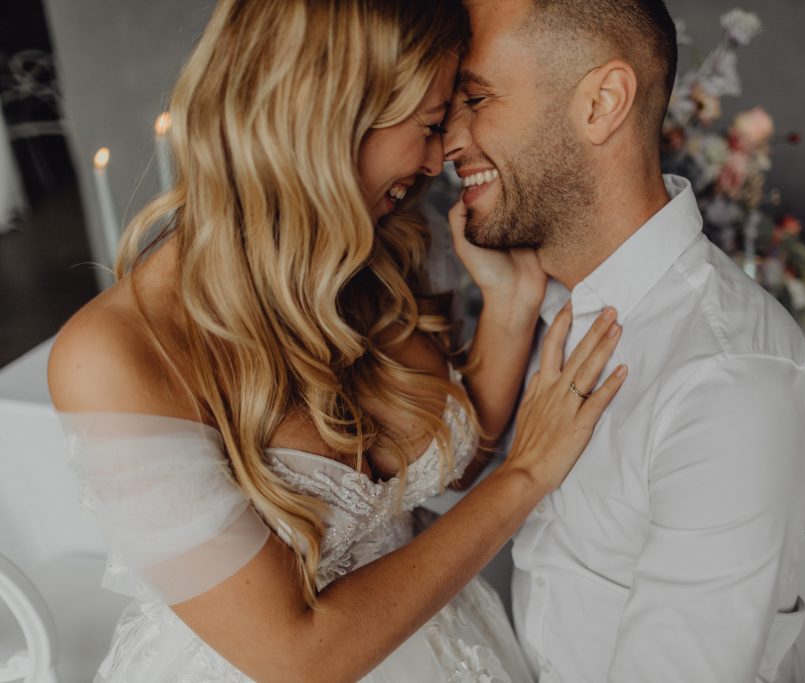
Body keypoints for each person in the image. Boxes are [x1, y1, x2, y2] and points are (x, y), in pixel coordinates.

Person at [46, 1, 627, 681]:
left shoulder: (363, 257)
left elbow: (449, 464)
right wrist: (526, 476)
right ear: (331, 115)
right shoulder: (112, 355)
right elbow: (298, 657)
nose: (439, 159)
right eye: (431, 125)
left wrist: (510, 305)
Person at [442, 1, 805, 681]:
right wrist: (510, 307)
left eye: (475, 99)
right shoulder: (550, 298)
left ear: (601, 104)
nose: (448, 140)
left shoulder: (728, 381)